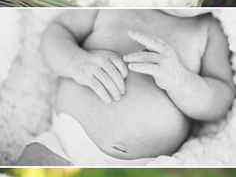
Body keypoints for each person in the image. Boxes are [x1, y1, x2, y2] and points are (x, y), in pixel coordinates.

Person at [16, 9, 235, 166]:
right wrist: (76, 62)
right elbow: (57, 31)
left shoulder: (208, 28)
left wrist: (180, 80)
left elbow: (221, 98)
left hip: (147, 163)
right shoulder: (111, 4)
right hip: (65, 140)